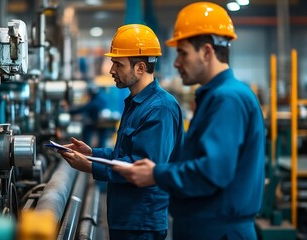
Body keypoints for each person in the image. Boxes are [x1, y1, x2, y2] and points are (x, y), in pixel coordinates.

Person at [113, 2, 266, 240]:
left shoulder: (227, 98)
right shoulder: (219, 96)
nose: (176, 63)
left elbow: (213, 171)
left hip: (218, 232)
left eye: (182, 53)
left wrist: (157, 174)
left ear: (206, 52)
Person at [58, 24, 184, 240]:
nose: (111, 71)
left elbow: (142, 167)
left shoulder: (160, 108)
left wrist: (90, 166)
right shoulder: (136, 103)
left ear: (140, 68)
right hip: (126, 218)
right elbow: (125, 153)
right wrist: (92, 152)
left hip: (141, 222)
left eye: (118, 64)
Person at [68, 81, 110, 148]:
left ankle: (87, 147)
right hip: (101, 122)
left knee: (88, 130)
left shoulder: (95, 101)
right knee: (102, 136)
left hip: (98, 122)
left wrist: (70, 111)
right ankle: (99, 148)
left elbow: (84, 108)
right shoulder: (100, 97)